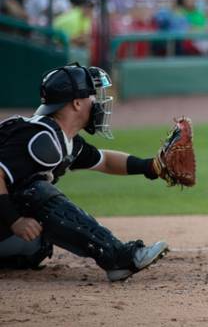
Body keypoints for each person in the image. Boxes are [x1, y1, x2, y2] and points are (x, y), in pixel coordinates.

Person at [0, 64, 169, 280]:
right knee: (35, 192)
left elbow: (105, 161)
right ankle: (117, 257)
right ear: (77, 103)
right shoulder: (39, 138)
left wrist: (152, 166)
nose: (97, 102)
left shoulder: (63, 139)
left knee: (36, 244)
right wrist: (14, 220)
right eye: (92, 96)